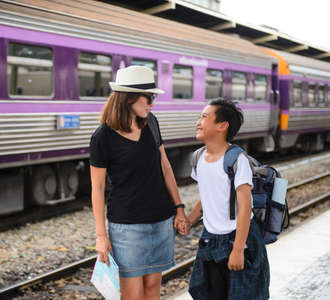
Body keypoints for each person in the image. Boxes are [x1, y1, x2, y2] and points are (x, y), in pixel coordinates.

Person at [89, 65, 190, 299]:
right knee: (132, 295)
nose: (151, 103)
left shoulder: (151, 122)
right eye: (149, 97)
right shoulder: (102, 137)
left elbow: (165, 166)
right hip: (127, 227)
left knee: (153, 290)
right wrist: (101, 236)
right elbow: (98, 188)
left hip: (161, 221)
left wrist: (179, 208)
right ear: (128, 98)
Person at [186, 99, 270, 300]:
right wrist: (189, 220)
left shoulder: (236, 159)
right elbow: (207, 196)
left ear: (222, 126)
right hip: (211, 240)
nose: (198, 121)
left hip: (238, 238)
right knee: (211, 294)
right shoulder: (198, 158)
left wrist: (239, 250)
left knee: (243, 295)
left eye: (205, 117)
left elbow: (245, 206)